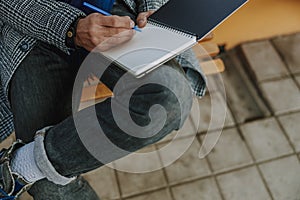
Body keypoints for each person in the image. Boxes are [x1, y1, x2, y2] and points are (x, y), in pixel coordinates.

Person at [0, 0, 206, 199]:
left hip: (116, 16)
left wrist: (152, 14)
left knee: (169, 97)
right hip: (31, 30)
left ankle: (18, 165)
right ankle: (21, 170)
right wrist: (70, 28)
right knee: (49, 187)